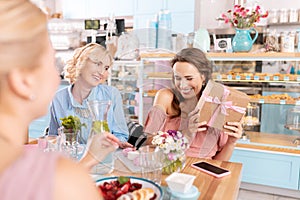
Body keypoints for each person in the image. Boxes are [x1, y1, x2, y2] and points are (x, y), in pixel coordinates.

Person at [0, 1, 119, 199]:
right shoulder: (62, 180)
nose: (58, 76)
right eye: (53, 61)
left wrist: (89, 158)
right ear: (23, 80)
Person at [143, 48, 243, 161]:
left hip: (203, 172)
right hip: (168, 167)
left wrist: (231, 142)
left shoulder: (220, 105)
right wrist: (185, 133)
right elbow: (147, 140)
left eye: (189, 78)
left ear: (203, 77)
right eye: (178, 78)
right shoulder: (166, 97)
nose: (183, 85)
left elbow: (219, 163)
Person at [48, 42, 132, 148]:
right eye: (98, 64)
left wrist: (117, 142)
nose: (102, 72)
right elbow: (53, 137)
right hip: (70, 160)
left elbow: (121, 135)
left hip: (103, 158)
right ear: (81, 62)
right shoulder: (58, 98)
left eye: (106, 68)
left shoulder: (111, 95)